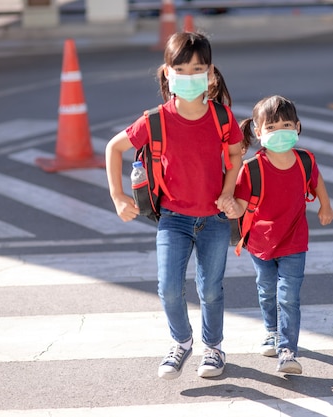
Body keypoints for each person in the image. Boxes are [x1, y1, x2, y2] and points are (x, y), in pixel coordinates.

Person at [105, 32, 244, 380]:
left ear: (210, 73)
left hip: (213, 218)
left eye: (197, 68)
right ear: (167, 72)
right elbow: (113, 147)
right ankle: (181, 342)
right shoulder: (155, 120)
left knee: (210, 289)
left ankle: (213, 348)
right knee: (168, 287)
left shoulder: (222, 117)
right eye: (180, 68)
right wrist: (117, 196)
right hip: (174, 218)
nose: (189, 75)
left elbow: (235, 159)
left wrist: (229, 194)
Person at [224, 95, 333, 374]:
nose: (280, 131)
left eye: (286, 124)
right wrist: (228, 206)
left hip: (294, 241)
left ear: (297, 126)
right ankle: (271, 330)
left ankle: (287, 351)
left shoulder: (305, 160)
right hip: (260, 243)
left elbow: (316, 180)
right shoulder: (252, 168)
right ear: (258, 133)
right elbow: (240, 205)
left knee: (288, 296)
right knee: (266, 290)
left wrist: (325, 205)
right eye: (272, 127)